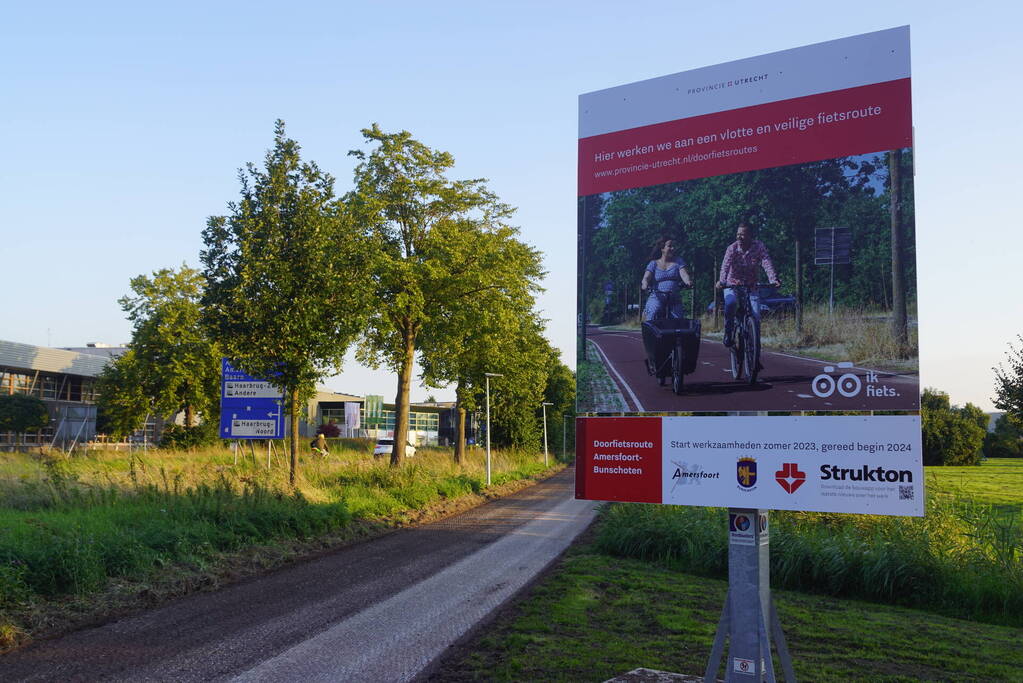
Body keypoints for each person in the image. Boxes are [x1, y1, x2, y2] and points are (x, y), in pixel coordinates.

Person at [716, 222, 780, 347]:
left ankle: (754, 351)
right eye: (738, 234)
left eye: (743, 235)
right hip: (732, 284)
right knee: (731, 303)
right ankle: (728, 332)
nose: (739, 237)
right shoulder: (732, 249)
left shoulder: (759, 246)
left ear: (750, 235)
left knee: (756, 316)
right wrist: (722, 281)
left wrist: (773, 279)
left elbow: (766, 262)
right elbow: (725, 266)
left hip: (751, 285)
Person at [640, 236, 692, 321]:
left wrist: (688, 281)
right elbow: (646, 277)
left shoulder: (678, 261)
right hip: (657, 296)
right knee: (653, 311)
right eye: (670, 246)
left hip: (674, 296)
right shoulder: (653, 263)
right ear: (662, 248)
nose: (673, 248)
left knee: (678, 319)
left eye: (673, 246)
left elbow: (684, 274)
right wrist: (644, 285)